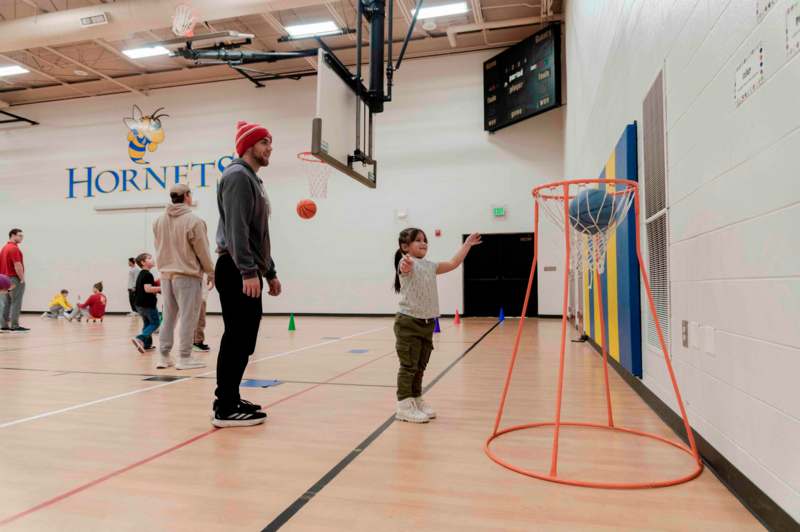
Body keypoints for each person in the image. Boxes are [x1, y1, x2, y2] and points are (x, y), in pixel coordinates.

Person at [211, 120, 282, 428]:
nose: (270, 148)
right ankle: (224, 407)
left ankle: (231, 396)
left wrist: (270, 272)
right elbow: (237, 231)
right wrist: (249, 271)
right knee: (237, 338)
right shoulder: (238, 176)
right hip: (237, 268)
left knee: (245, 339)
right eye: (265, 142)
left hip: (246, 267)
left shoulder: (252, 179)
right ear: (250, 145)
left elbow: (258, 234)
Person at [393, 228, 482, 423]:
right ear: (405, 247)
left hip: (427, 323)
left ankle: (416, 398)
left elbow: (453, 263)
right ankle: (403, 405)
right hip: (408, 322)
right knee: (409, 366)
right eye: (418, 240)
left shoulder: (430, 265)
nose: (423, 243)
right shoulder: (406, 262)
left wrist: (467, 245)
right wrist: (406, 262)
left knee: (420, 366)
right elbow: (404, 268)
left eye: (425, 240)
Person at [153, 183, 215, 370]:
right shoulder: (194, 221)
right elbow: (202, 251)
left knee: (169, 317)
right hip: (187, 275)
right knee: (189, 316)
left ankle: (163, 357)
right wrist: (211, 271)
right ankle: (185, 357)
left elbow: (159, 247)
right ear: (187, 196)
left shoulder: (158, 220)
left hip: (165, 275)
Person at [0, 228, 29, 332]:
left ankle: (3, 325)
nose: (22, 238)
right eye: (20, 235)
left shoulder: (4, 248)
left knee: (6, 302)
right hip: (13, 279)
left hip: (3, 279)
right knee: (16, 302)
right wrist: (22, 279)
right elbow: (17, 265)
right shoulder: (14, 248)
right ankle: (15, 326)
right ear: (13, 235)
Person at [131, 253, 161, 353]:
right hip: (147, 305)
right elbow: (148, 289)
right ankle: (140, 338)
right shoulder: (148, 274)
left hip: (139, 305)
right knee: (155, 323)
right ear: (143, 263)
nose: (152, 259)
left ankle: (147, 344)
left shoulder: (142, 274)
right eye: (149, 258)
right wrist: (162, 288)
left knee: (147, 323)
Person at [193, 283, 210, 352]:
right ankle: (197, 342)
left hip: (201, 295)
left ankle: (196, 341)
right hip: (199, 296)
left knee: (200, 320)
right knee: (200, 320)